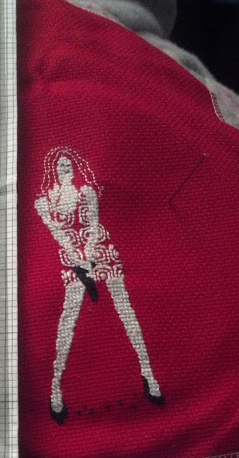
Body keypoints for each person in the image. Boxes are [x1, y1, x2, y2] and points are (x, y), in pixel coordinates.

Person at [35, 147, 164, 425]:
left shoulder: (87, 192)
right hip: (73, 259)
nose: (65, 170)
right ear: (53, 171)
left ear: (75, 168)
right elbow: (57, 234)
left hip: (101, 252)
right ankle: (55, 388)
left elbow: (94, 225)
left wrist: (90, 254)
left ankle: (148, 374)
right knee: (68, 318)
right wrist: (79, 261)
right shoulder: (44, 202)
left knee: (126, 311)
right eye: (60, 166)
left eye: (69, 165)